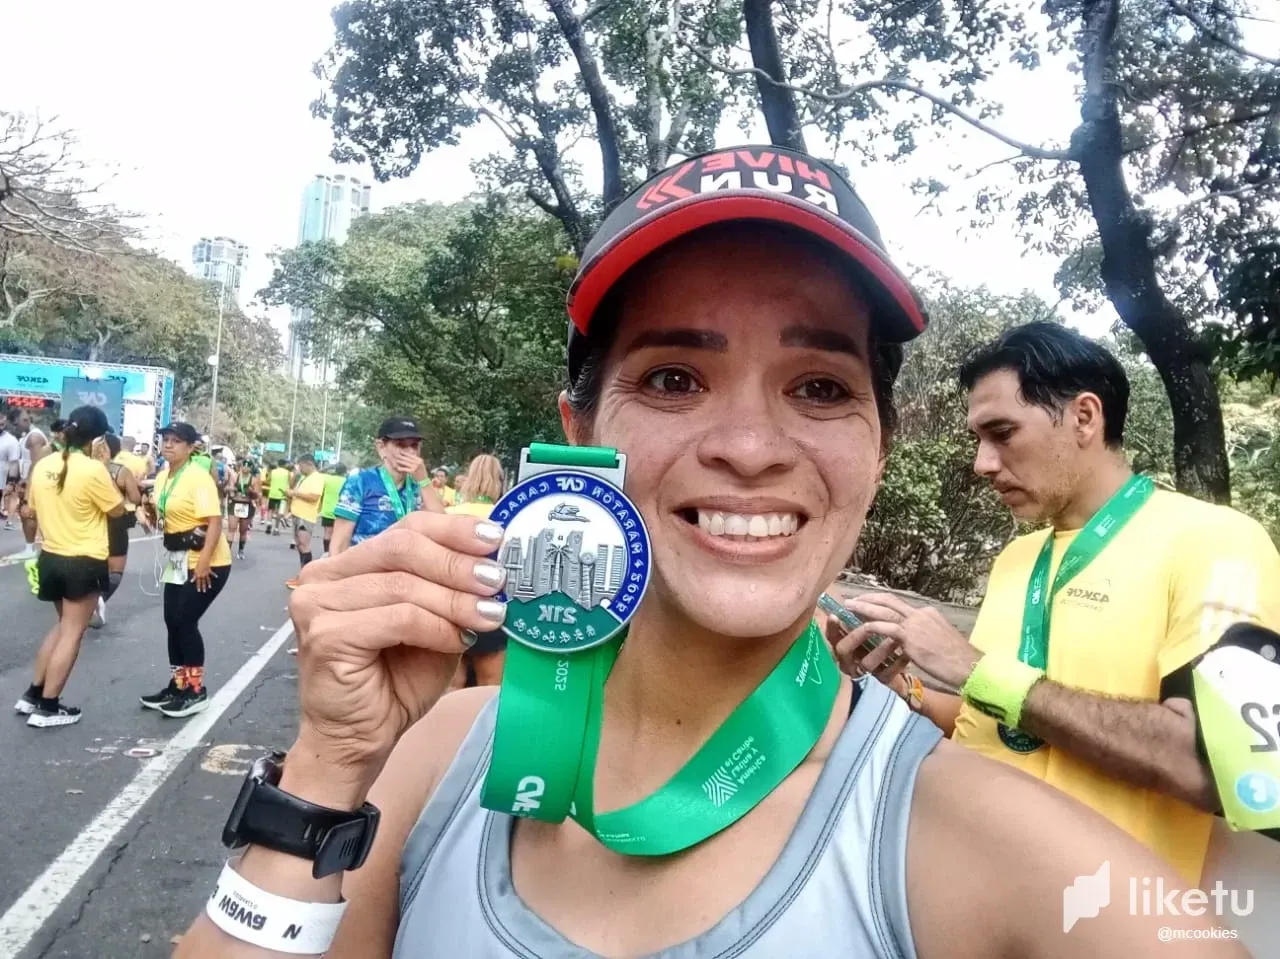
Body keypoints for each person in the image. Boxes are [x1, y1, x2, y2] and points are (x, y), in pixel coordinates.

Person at [176, 147, 1237, 959]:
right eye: (674, 377)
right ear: (580, 432)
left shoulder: (1001, 853)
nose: (746, 446)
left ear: (876, 445)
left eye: (819, 388)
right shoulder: (436, 754)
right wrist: (322, 772)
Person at [835, 321, 1280, 886]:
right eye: (978, 439)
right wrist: (912, 692)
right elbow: (1000, 731)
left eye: (1002, 433)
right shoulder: (1016, 559)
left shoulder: (1218, 542)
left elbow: (1211, 767)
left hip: (1107, 922)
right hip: (966, 900)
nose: (982, 463)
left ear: (1084, 417)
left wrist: (976, 670)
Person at [13, 407, 122, 728]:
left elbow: (31, 507)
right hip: (83, 560)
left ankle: (33, 694)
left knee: (62, 627)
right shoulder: (92, 469)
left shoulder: (45, 463)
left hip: (50, 555)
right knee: (73, 632)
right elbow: (116, 510)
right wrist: (102, 464)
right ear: (99, 438)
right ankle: (48, 707)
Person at [140, 422, 232, 719]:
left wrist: (204, 562)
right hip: (178, 559)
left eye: (176, 441)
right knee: (171, 620)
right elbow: (165, 511)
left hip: (209, 562)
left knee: (185, 620)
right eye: (165, 440)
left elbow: (214, 522)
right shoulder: (165, 475)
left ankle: (194, 691)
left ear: (191, 447)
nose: (168, 445)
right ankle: (177, 685)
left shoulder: (197, 477)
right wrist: (149, 513)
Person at [446, 454, 507, 689]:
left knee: (451, 686)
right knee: (488, 687)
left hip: (453, 607)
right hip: (491, 609)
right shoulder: (506, 517)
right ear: (499, 480)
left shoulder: (450, 514)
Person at [329, 418, 429, 555]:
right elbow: (339, 543)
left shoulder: (419, 487)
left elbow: (443, 530)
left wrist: (424, 481)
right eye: (401, 445)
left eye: (414, 446)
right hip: (365, 569)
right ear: (381, 447)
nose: (410, 452)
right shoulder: (360, 481)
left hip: (406, 569)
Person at [89, 433, 142, 629]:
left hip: (91, 522)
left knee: (95, 565)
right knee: (115, 571)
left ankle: (89, 601)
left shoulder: (85, 468)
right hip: (116, 522)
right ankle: (100, 599)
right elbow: (135, 499)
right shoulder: (122, 471)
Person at [12, 409, 51, 559]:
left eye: (22, 421)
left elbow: (36, 463)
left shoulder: (34, 437)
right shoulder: (26, 436)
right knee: (24, 514)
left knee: (29, 514)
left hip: (34, 481)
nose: (19, 426)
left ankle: (31, 549)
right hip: (27, 479)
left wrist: (28, 485)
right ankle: (30, 547)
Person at [284, 455, 326, 589]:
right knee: (299, 544)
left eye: (301, 466)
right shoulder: (305, 478)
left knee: (304, 545)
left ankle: (307, 577)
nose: (299, 468)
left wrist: (295, 493)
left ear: (309, 464)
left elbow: (314, 496)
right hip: (298, 514)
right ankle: (302, 574)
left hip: (306, 516)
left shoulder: (317, 478)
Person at [227, 459, 261, 560]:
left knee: (243, 530)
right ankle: (227, 551)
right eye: (243, 466)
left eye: (248, 466)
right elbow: (229, 488)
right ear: (241, 467)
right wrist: (231, 490)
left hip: (247, 505)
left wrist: (252, 492)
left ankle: (241, 550)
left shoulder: (254, 480)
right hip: (235, 504)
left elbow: (257, 495)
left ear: (251, 468)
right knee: (231, 528)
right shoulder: (235, 476)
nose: (245, 468)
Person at [318, 463, 347, 556]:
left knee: (327, 533)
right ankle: (335, 553)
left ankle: (326, 552)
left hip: (328, 511)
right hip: (341, 512)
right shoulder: (347, 481)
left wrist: (330, 466)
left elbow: (317, 473)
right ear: (345, 472)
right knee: (338, 534)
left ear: (335, 470)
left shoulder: (328, 479)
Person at [0, 408, 21, 529]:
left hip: (2, 478)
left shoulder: (11, 441)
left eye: (1, 424)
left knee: (10, 497)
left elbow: (14, 462)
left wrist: (11, 481)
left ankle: (9, 520)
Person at [266, 460, 291, 535]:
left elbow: (267, 480)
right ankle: (276, 529)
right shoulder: (288, 473)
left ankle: (269, 523)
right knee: (280, 512)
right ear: (285, 464)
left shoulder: (273, 471)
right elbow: (290, 482)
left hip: (272, 493)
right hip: (282, 495)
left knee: (270, 510)